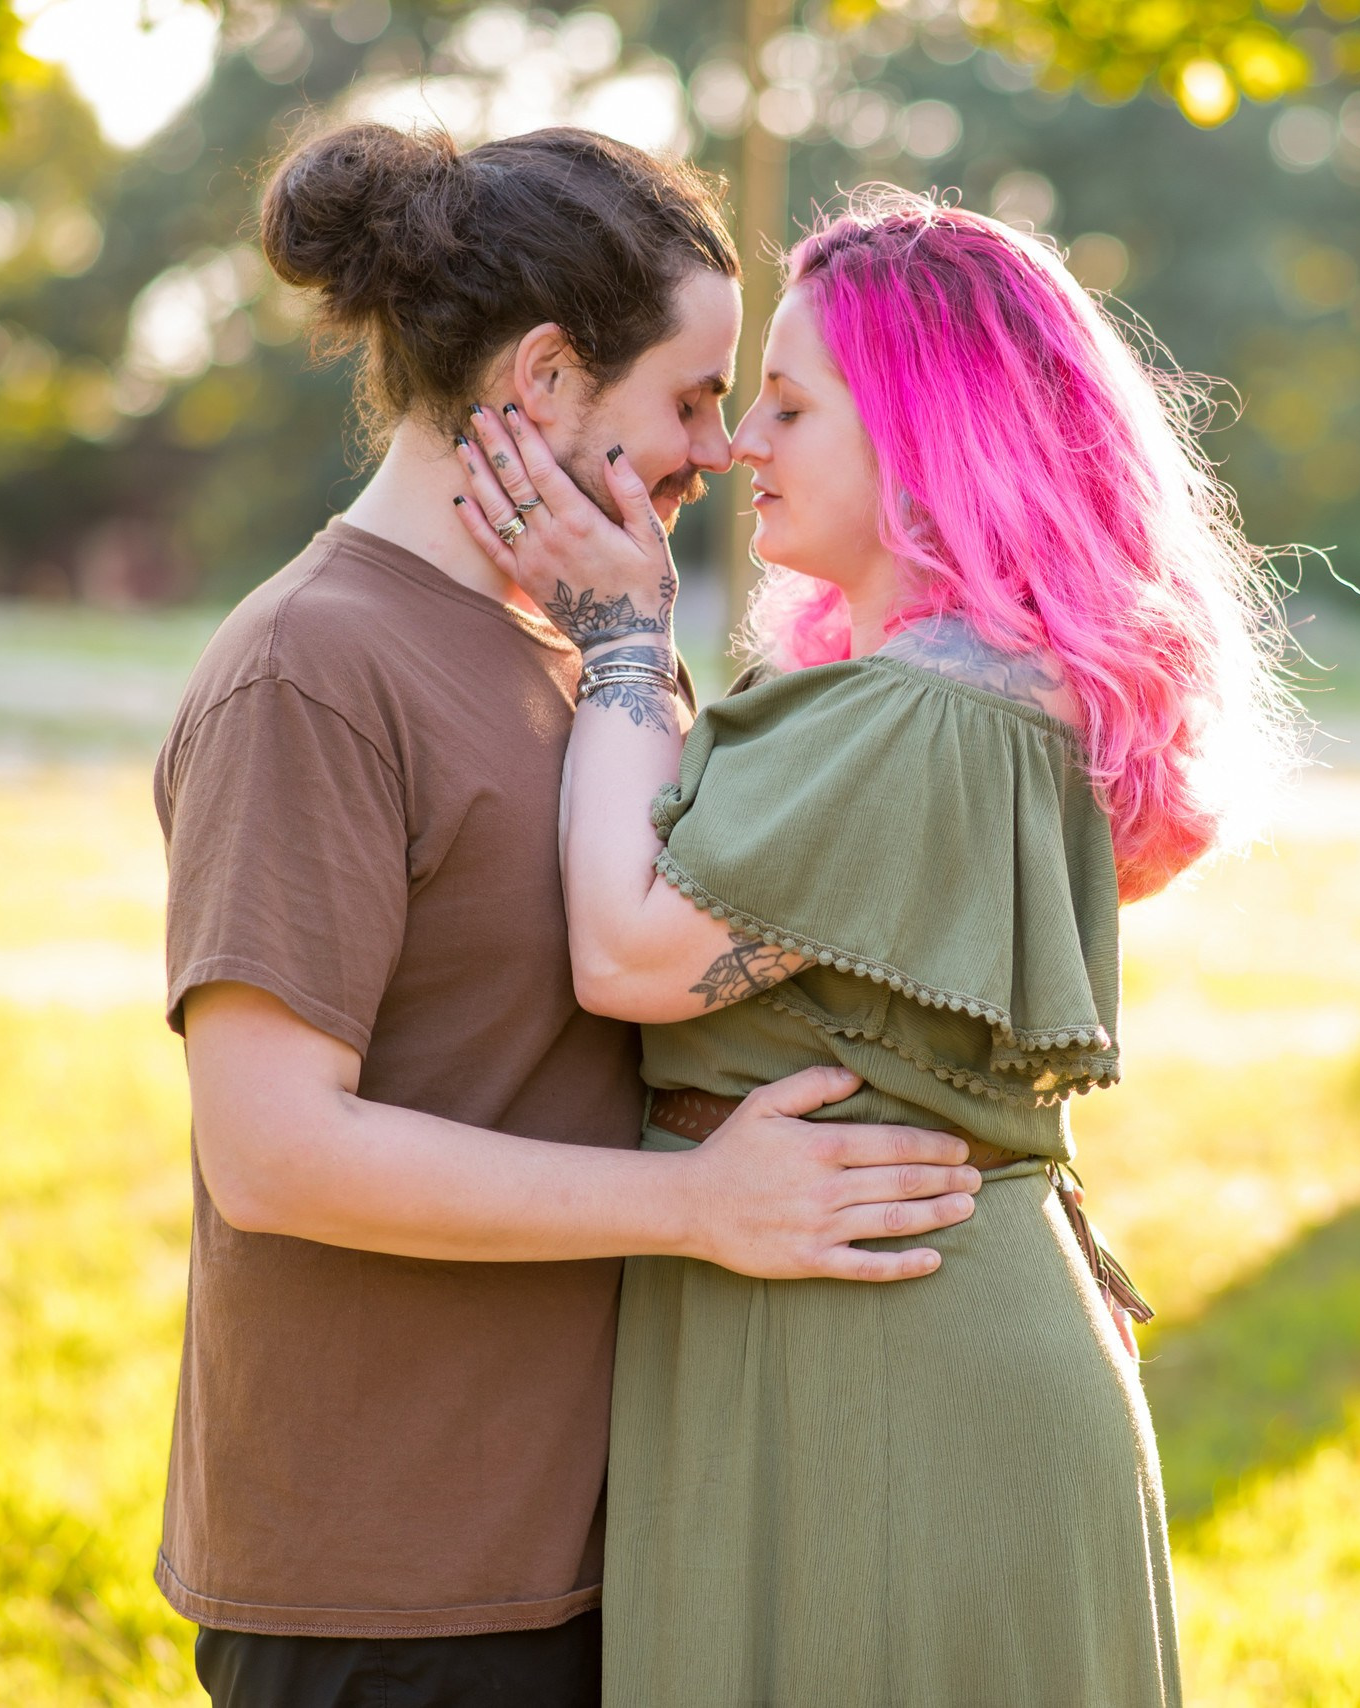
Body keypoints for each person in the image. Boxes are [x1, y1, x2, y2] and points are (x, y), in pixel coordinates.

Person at [155, 127, 985, 1708]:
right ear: (542, 380)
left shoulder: (593, 647)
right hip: (396, 1583)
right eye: (688, 397)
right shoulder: (311, 672)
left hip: (608, 1540)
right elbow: (270, 1151)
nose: (720, 446)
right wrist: (701, 1207)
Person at [456, 189, 1299, 1706]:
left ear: (928, 436)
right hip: (855, 1330)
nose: (736, 447)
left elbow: (635, 958)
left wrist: (627, 638)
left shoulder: (935, 712)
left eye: (787, 405)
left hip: (889, 1376)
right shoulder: (957, 693)